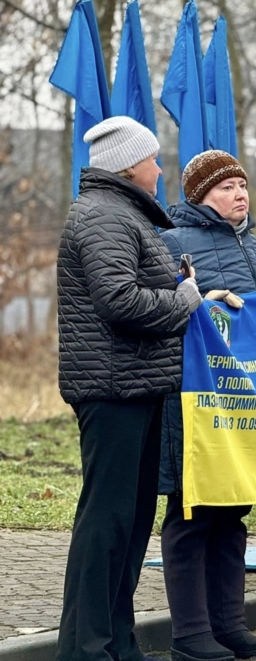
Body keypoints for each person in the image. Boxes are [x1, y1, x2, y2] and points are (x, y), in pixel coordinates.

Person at [55, 116, 202, 661]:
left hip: (135, 386)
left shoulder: (121, 215)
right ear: (129, 165)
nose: (161, 169)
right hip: (112, 389)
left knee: (130, 522)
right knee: (108, 523)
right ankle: (86, 648)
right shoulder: (104, 217)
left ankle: (116, 641)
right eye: (154, 160)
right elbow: (119, 300)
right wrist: (185, 301)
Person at [158, 150, 256, 661]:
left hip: (240, 409)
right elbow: (164, 311)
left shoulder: (253, 244)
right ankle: (189, 634)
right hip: (194, 405)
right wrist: (204, 302)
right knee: (192, 516)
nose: (239, 195)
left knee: (232, 513)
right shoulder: (172, 243)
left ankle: (228, 624)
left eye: (242, 186)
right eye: (226, 187)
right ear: (199, 195)